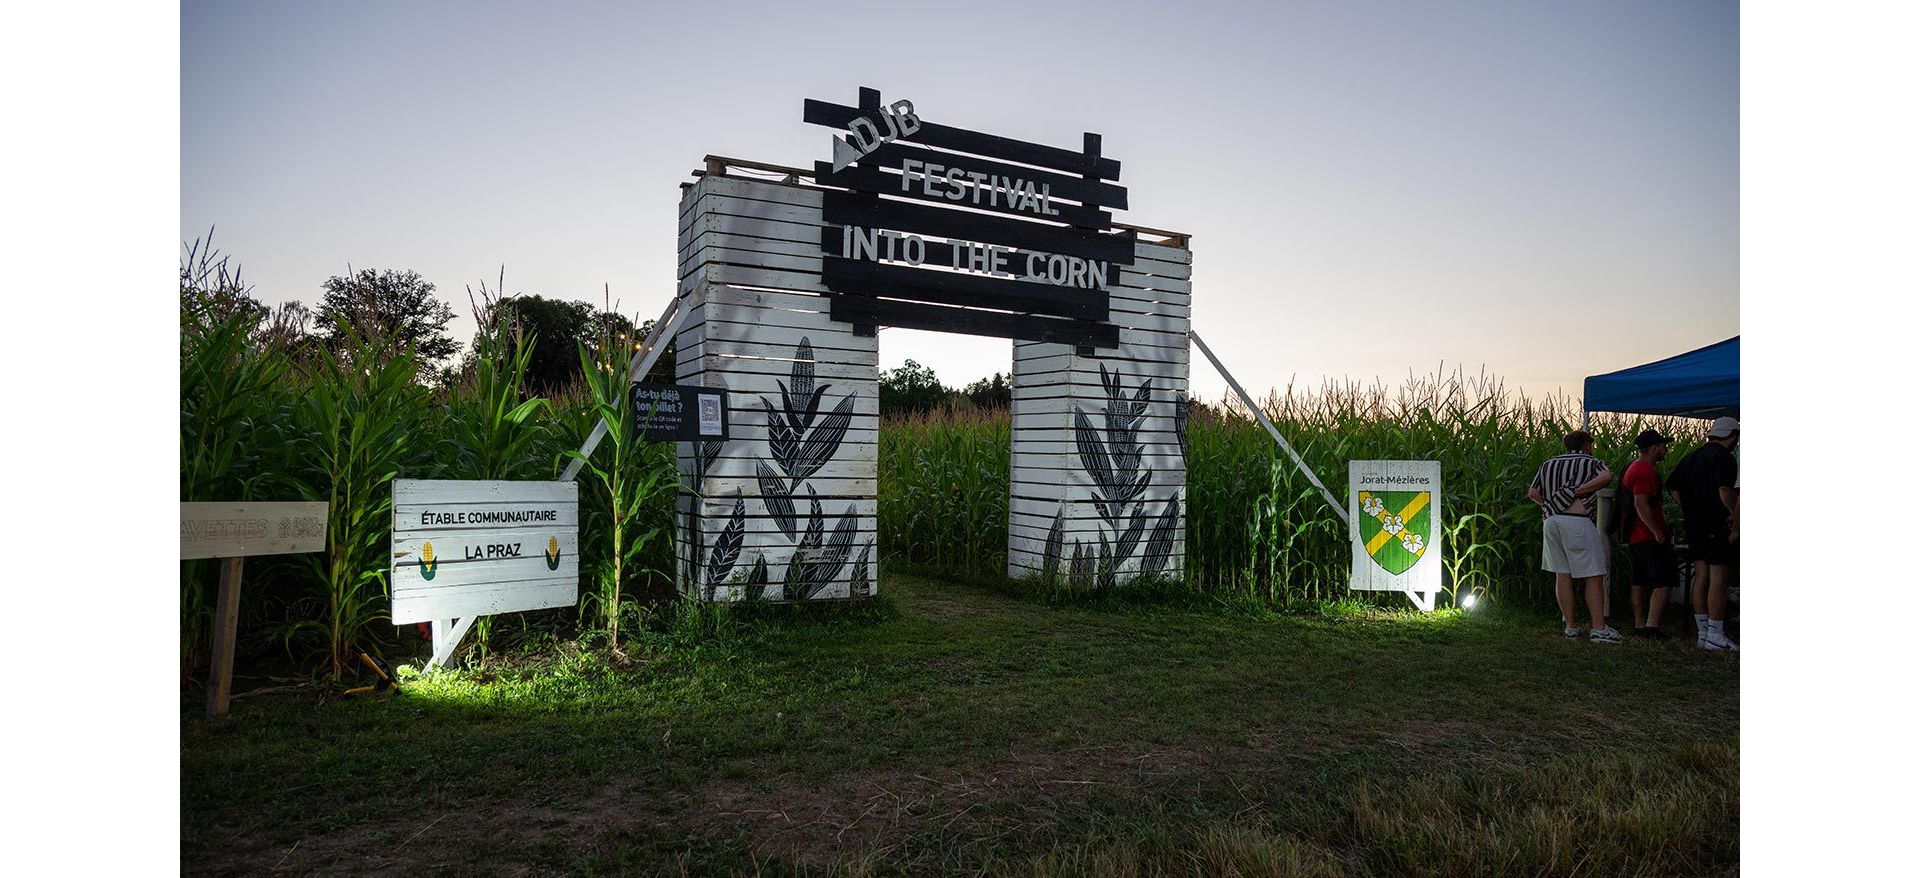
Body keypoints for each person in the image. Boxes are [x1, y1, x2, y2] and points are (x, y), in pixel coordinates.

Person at [1529, 430, 1622, 644]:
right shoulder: (1591, 461)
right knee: (1594, 574)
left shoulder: (1548, 463)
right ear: (1587, 445)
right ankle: (1599, 628)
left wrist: (1550, 505)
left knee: (1562, 573)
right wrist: (1579, 491)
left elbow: (1533, 493)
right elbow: (1607, 476)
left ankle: (1571, 625)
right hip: (1577, 521)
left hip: (1551, 521)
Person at [1668, 416, 1740, 651]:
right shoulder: (1724, 458)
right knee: (1718, 576)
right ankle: (1716, 633)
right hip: (1716, 524)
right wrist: (1732, 514)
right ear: (1732, 436)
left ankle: (1703, 633)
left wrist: (1689, 508)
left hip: (1694, 525)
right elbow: (1724, 491)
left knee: (1701, 575)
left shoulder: (1692, 456)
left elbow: (1673, 488)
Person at [1622, 429, 1678, 639]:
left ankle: (1639, 625)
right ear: (1654, 448)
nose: (1666, 450)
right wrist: (1657, 531)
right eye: (1663, 446)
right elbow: (1641, 504)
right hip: (1647, 537)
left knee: (1640, 581)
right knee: (1663, 581)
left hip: (1636, 537)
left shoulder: (1633, 468)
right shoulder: (1645, 472)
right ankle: (1651, 627)